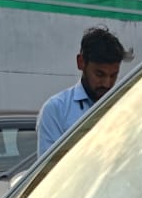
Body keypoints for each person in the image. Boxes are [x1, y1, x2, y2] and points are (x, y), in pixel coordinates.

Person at [37, 27, 126, 155]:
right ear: (81, 62)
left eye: (113, 76)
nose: (107, 83)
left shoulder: (125, 107)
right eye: (99, 74)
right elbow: (50, 171)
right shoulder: (56, 110)